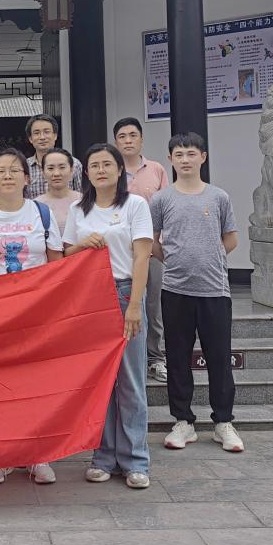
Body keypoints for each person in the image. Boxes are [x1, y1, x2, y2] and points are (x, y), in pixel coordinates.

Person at [0, 148, 64, 485]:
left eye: (14, 170)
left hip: (34, 316)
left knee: (34, 385)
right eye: (1, 171)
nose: (7, 175)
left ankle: (37, 455)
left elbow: (56, 264)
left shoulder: (42, 214)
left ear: (26, 177)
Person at [63, 144, 153, 489]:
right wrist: (82, 245)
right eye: (94, 165)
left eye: (107, 164)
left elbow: (142, 257)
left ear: (119, 170)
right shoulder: (78, 209)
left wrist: (135, 305)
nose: (101, 170)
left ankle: (135, 460)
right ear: (86, 173)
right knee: (101, 381)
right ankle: (103, 457)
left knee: (130, 381)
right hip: (90, 296)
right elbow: (66, 255)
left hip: (125, 291)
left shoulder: (135, 205)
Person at [150, 132, 243, 454]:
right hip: (175, 290)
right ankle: (183, 421)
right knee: (177, 357)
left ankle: (223, 422)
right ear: (170, 160)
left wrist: (211, 258)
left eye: (191, 153)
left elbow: (231, 239)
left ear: (203, 157)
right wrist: (175, 260)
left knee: (219, 358)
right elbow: (152, 242)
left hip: (215, 290)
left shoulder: (218, 197)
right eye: (178, 154)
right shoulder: (161, 199)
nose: (185, 159)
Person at [113, 117, 171, 384]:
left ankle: (155, 358)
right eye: (122, 136)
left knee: (153, 304)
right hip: (120, 252)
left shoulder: (156, 169)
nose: (128, 140)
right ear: (116, 142)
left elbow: (166, 209)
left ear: (141, 140)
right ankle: (123, 358)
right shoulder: (111, 170)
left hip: (151, 250)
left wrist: (160, 245)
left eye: (132, 135)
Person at [23, 114, 82, 198]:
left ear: (55, 136)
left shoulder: (74, 164)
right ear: (30, 139)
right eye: (36, 133)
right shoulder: (24, 166)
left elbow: (81, 197)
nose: (42, 137)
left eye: (46, 132)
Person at [36, 148, 81, 233]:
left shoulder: (83, 201)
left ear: (71, 171)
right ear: (43, 172)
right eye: (50, 168)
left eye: (62, 167)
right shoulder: (36, 206)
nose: (56, 173)